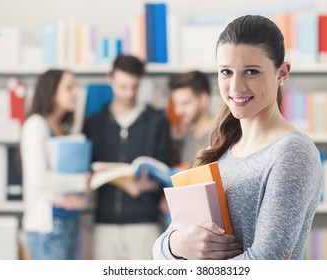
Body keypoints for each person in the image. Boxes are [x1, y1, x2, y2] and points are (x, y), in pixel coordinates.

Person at [153, 15, 323, 260]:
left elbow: (265, 262)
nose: (235, 87)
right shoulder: (220, 147)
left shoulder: (292, 152)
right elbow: (160, 250)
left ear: (282, 73)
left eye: (251, 72)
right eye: (226, 72)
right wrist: (176, 244)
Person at [83, 54, 171, 260]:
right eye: (122, 86)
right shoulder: (94, 123)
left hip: (145, 223)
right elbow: (89, 170)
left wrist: (141, 186)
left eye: (134, 86)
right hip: (104, 223)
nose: (129, 93)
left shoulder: (157, 121)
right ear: (110, 79)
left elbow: (166, 174)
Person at [20, 69, 90, 259]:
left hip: (69, 223)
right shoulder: (36, 125)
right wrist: (82, 182)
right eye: (69, 88)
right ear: (51, 91)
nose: (76, 92)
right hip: (47, 228)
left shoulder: (63, 129)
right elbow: (39, 179)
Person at [168, 70, 215, 167]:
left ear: (203, 99)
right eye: (176, 104)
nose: (178, 111)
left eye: (185, 103)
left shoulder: (219, 136)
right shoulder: (189, 135)